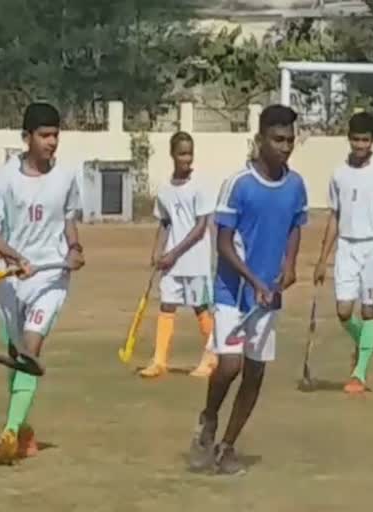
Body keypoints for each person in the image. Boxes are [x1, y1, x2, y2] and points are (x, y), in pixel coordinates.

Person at [187, 105, 307, 474]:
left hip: (267, 297)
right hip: (232, 294)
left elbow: (295, 226)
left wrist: (288, 267)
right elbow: (222, 242)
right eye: (277, 139)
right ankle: (208, 417)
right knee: (229, 365)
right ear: (260, 140)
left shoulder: (296, 185)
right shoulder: (239, 184)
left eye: (289, 140)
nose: (284, 147)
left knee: (255, 373)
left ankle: (227, 447)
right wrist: (253, 281)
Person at [0, 102, 85, 465]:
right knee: (16, 359)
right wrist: (12, 257)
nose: (52, 142)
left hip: (51, 279)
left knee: (29, 349)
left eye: (56, 134)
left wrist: (74, 248)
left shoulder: (68, 176)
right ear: (26, 138)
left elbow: (68, 219)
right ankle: (24, 431)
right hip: (12, 281)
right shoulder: (5, 177)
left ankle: (9, 434)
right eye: (44, 135)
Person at [313, 112, 373, 395]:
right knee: (343, 311)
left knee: (369, 310)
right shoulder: (338, 174)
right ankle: (363, 341)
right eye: (356, 140)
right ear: (348, 139)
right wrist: (322, 259)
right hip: (347, 246)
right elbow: (334, 216)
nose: (360, 146)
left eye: (365, 140)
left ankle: (359, 373)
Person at [138, 131, 217, 379]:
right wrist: (157, 251)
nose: (187, 159)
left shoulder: (200, 185)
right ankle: (159, 360)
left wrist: (174, 252)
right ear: (172, 154)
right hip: (172, 261)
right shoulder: (164, 188)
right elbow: (164, 223)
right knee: (167, 304)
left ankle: (212, 356)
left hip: (196, 260)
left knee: (200, 307)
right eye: (182, 154)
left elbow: (200, 227)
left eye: (190, 153)